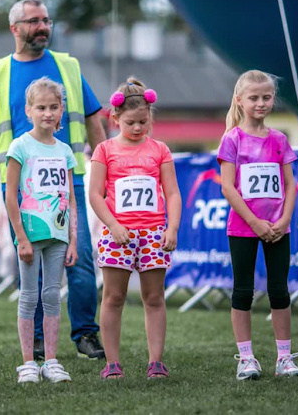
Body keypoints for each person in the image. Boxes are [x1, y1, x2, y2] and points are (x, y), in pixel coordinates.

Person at [0, 0, 107, 360]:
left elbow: (93, 119)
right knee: (32, 259)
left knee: (80, 258)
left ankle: (86, 335)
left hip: (68, 177)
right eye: (34, 21)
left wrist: (109, 164)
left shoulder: (69, 66)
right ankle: (40, 339)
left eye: (46, 20)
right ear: (15, 29)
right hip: (19, 184)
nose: (43, 26)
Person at [90, 78, 181, 379]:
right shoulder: (104, 149)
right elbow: (95, 194)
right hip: (117, 234)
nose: (138, 128)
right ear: (115, 118)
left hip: (154, 233)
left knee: (154, 298)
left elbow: (172, 193)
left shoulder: (160, 149)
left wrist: (172, 228)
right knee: (113, 298)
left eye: (144, 121)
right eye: (131, 123)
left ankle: (156, 361)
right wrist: (113, 225)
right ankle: (112, 363)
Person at [218, 70, 298, 380]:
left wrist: (283, 220)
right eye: (254, 98)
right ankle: (246, 358)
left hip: (279, 228)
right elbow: (228, 187)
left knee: (280, 290)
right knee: (243, 291)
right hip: (243, 228)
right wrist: (255, 222)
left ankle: (284, 357)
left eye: (266, 97)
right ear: (240, 101)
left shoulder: (279, 139)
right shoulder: (232, 139)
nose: (261, 103)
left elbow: (290, 185)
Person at [6, 78, 78, 384]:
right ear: (28, 110)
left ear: (61, 110)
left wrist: (74, 239)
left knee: (52, 296)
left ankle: (51, 360)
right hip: (31, 234)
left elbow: (71, 198)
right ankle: (27, 363)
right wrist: (21, 237)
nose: (47, 113)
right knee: (28, 296)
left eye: (53, 107)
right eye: (41, 107)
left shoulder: (65, 151)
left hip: (59, 234)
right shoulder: (20, 146)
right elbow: (11, 195)